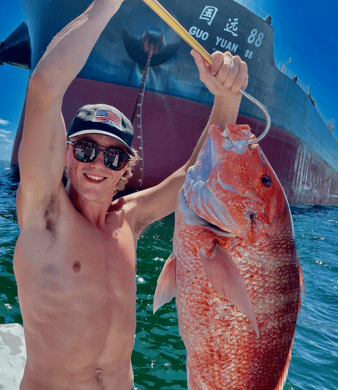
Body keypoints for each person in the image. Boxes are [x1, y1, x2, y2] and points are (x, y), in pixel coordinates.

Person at [13, 0, 248, 389]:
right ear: (66, 153)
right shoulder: (45, 211)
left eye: (113, 155)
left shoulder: (130, 218)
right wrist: (105, 5)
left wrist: (227, 99)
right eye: (86, 149)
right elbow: (43, 88)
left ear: (127, 166)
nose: (97, 164)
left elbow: (195, 174)